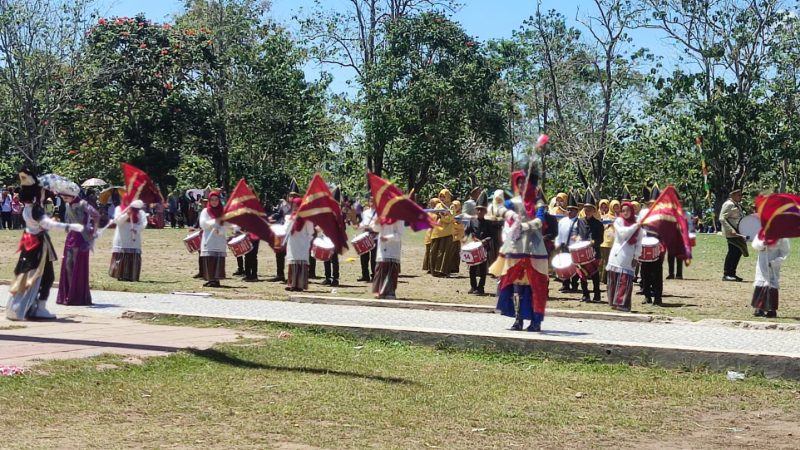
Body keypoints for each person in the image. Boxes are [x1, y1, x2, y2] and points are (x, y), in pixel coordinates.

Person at [6, 169, 81, 321]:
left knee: (32, 276)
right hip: (38, 246)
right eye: (41, 192)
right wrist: (70, 227)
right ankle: (38, 307)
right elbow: (47, 224)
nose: (43, 194)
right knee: (46, 276)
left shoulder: (27, 209)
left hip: (31, 243)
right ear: (35, 195)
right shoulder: (36, 209)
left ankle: (28, 307)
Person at [491, 169, 549, 332]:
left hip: (534, 250)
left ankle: (536, 321)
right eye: (520, 182)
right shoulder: (514, 201)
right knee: (515, 285)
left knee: (534, 286)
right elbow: (498, 209)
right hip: (516, 248)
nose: (523, 185)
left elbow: (540, 220)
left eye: (526, 182)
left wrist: (526, 225)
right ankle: (518, 319)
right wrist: (509, 213)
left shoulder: (538, 202)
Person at [57, 187, 100, 306]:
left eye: (66, 195)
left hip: (81, 237)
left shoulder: (83, 203)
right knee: (68, 265)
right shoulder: (68, 205)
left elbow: (96, 215)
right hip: (71, 236)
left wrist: (93, 231)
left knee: (75, 265)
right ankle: (69, 294)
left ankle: (77, 296)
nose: (64, 198)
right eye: (62, 196)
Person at [606, 202, 645, 312]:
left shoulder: (638, 226)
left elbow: (639, 243)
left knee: (625, 281)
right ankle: (613, 302)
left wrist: (636, 257)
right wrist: (635, 226)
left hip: (628, 256)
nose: (626, 212)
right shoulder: (619, 221)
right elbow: (622, 233)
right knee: (614, 279)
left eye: (628, 210)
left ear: (632, 211)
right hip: (617, 254)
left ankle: (622, 303)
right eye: (623, 210)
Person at [751, 235, 790, 318]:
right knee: (760, 283)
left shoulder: (782, 237)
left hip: (772, 264)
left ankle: (771, 310)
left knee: (771, 285)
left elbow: (784, 253)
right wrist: (762, 244)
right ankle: (759, 308)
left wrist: (775, 262)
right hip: (762, 263)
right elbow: (755, 244)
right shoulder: (762, 233)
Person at [109, 199, 147, 282]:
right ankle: (119, 274)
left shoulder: (141, 213)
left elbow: (143, 223)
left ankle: (131, 275)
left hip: (134, 238)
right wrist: (127, 214)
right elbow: (117, 221)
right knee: (121, 255)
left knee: (132, 255)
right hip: (121, 236)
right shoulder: (119, 209)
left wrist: (136, 229)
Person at [198, 191, 229, 288]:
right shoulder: (205, 211)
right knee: (209, 259)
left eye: (216, 200)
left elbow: (227, 225)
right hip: (209, 238)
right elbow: (202, 223)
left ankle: (217, 279)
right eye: (212, 200)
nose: (214, 202)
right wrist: (212, 224)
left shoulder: (223, 212)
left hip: (219, 239)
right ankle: (210, 279)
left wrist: (220, 230)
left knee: (218, 259)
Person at [577, 192, 603, 303]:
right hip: (581, 252)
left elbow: (601, 239)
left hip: (594, 252)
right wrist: (576, 238)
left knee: (595, 274)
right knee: (582, 274)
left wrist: (593, 242)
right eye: (586, 209)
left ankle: (597, 294)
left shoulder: (598, 224)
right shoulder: (579, 222)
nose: (587, 211)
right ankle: (585, 294)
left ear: (594, 211)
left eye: (590, 209)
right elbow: (577, 233)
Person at [285, 197, 315, 291]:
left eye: (296, 206)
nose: (294, 207)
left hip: (303, 243)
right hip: (292, 243)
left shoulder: (307, 218)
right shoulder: (290, 217)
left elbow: (310, 231)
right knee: (292, 262)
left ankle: (300, 285)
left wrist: (308, 241)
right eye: (293, 205)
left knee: (301, 263)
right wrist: (292, 220)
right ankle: (291, 284)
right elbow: (286, 229)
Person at [465, 196, 492, 295]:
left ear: (485, 212)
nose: (480, 212)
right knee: (472, 269)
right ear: (476, 211)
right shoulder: (472, 221)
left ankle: (481, 288)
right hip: (474, 248)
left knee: (482, 270)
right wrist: (465, 239)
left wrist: (485, 240)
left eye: (482, 210)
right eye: (478, 210)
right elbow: (467, 232)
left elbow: (491, 235)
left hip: (484, 249)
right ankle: (473, 286)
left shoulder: (488, 223)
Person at [720, 188, 748, 281]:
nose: (740, 196)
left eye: (740, 194)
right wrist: (730, 229)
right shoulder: (728, 204)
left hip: (738, 232)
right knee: (733, 252)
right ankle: (727, 274)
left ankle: (732, 273)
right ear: (732, 195)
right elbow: (722, 218)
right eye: (738, 195)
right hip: (732, 232)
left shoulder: (737, 205)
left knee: (738, 251)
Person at [555, 192, 581, 292]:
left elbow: (582, 235)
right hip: (564, 246)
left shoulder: (580, 222)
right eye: (568, 209)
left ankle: (574, 284)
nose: (569, 211)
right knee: (565, 265)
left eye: (572, 210)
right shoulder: (562, 221)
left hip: (575, 247)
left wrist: (578, 239)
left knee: (575, 266)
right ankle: (565, 284)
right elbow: (559, 234)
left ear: (576, 211)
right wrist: (558, 244)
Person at [372, 219, 404, 299]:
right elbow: (376, 229)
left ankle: (390, 292)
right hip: (382, 248)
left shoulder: (399, 218)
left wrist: (388, 237)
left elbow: (400, 234)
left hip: (392, 249)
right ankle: (379, 292)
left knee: (390, 269)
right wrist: (376, 223)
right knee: (380, 268)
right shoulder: (381, 215)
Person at [427, 198, 454, 278]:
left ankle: (442, 271)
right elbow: (432, 215)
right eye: (440, 196)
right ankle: (433, 270)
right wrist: (437, 214)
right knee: (433, 251)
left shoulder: (451, 206)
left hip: (447, 232)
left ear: (447, 196)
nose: (442, 198)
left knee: (444, 252)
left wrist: (442, 215)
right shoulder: (438, 205)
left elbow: (450, 219)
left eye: (443, 196)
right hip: (436, 232)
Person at [323, 187, 343, 287]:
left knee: (334, 259)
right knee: (326, 257)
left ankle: (335, 278)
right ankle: (327, 277)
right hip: (327, 236)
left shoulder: (339, 213)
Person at [599, 198, 616, 284]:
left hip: (613, 242)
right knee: (603, 261)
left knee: (610, 261)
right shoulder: (602, 217)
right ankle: (602, 278)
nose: (604, 209)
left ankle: (608, 278)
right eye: (602, 207)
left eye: (606, 207)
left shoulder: (617, 217)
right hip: (604, 241)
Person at [449, 199, 464, 274]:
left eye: (455, 206)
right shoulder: (452, 213)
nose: (454, 207)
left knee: (456, 253)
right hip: (452, 235)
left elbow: (461, 226)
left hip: (457, 237)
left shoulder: (461, 215)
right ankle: (450, 267)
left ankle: (455, 268)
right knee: (450, 252)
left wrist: (453, 223)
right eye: (453, 206)